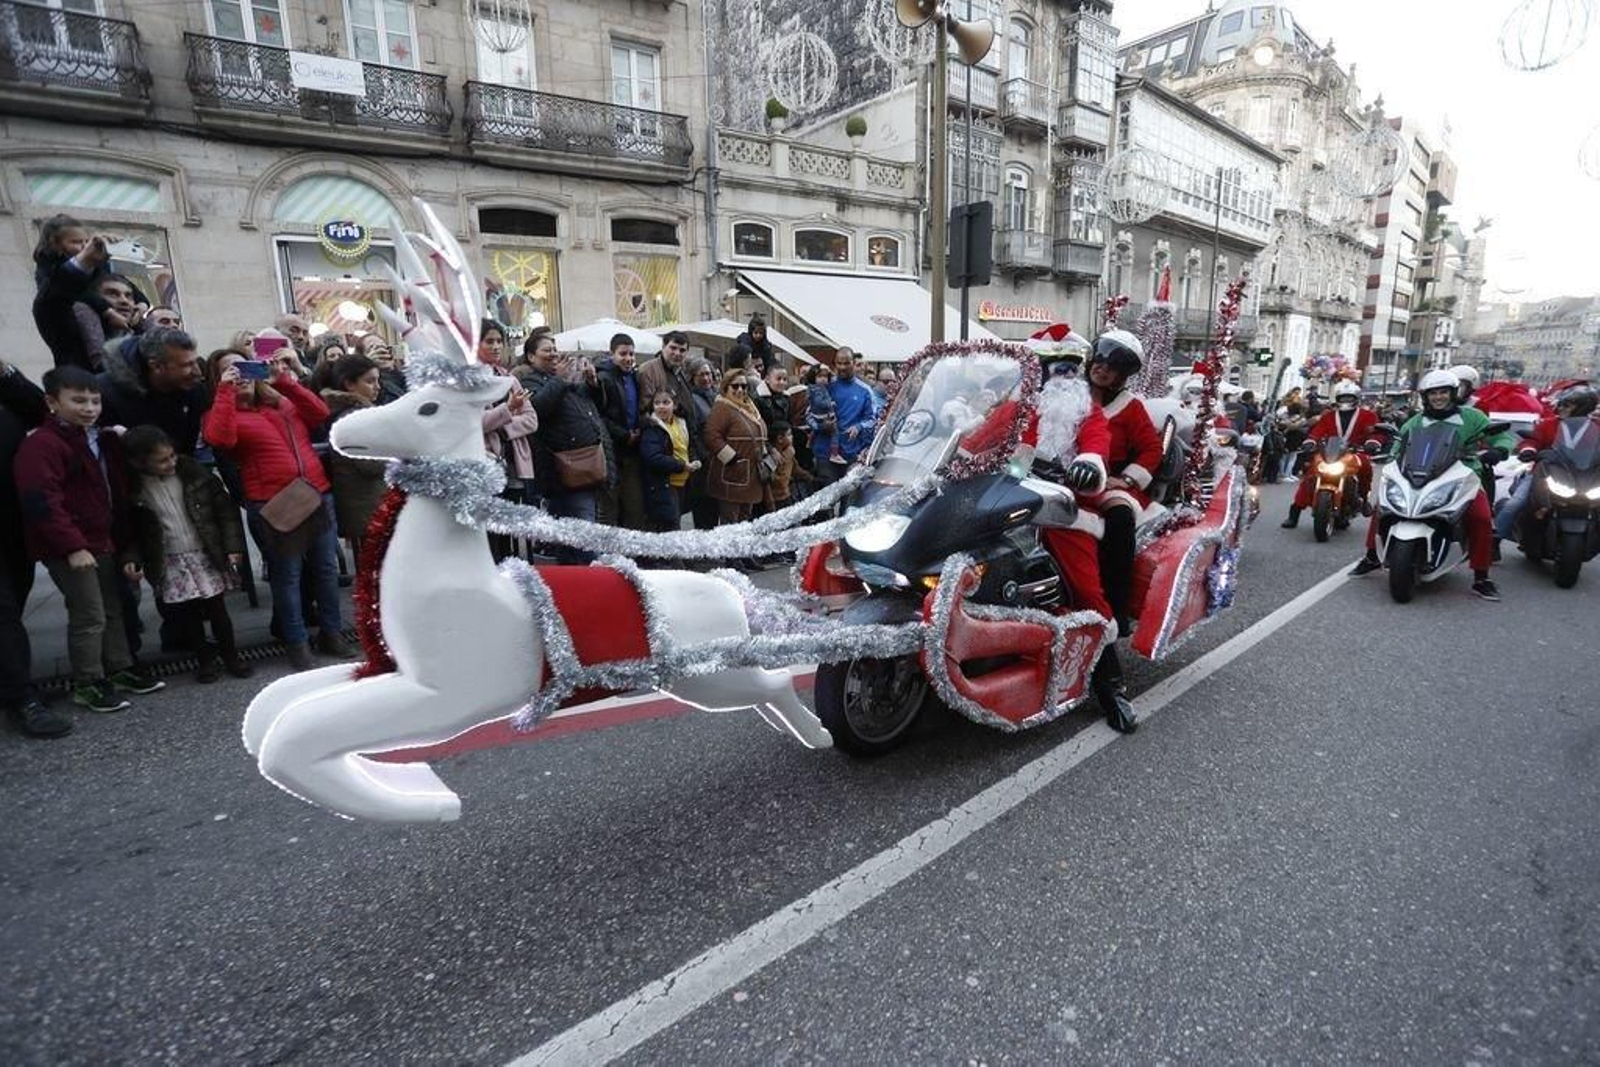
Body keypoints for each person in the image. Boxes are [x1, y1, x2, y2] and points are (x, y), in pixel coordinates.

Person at [15, 366, 164, 712]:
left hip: (102, 541)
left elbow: (115, 491)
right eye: (78, 400)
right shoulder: (42, 444)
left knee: (112, 609)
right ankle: (88, 681)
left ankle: (118, 668)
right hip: (71, 548)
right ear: (53, 402)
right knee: (89, 614)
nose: (88, 408)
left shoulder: (98, 438)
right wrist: (72, 546)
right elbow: (42, 500)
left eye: (94, 400)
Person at [202, 350, 352, 669]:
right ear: (218, 379)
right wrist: (227, 392)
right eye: (229, 371)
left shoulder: (280, 402)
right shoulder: (222, 410)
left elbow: (319, 412)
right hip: (275, 502)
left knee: (326, 569)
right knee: (288, 577)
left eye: (243, 367)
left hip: (316, 493)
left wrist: (285, 381)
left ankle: (332, 632)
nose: (238, 374)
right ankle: (296, 642)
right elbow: (221, 439)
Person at [1350, 368, 1500, 600]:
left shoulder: (1473, 417)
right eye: (1433, 393)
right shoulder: (1415, 422)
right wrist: (1391, 462)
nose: (1438, 397)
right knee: (1383, 507)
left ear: (1453, 393)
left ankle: (1481, 576)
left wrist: (1499, 449)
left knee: (1480, 517)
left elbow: (1501, 437)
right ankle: (1372, 556)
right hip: (1420, 475)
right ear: (1425, 397)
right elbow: (1399, 449)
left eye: (1443, 392)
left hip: (1463, 475)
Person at [120, 426, 252, 684]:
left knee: (218, 610)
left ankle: (231, 656)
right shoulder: (134, 490)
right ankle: (204, 660)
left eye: (172, 456)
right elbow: (132, 532)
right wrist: (131, 558)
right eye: (162, 460)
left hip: (205, 551)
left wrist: (232, 546)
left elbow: (224, 511)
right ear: (139, 462)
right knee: (189, 615)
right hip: (171, 558)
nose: (171, 463)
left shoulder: (193, 474)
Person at [0, 359, 67, 736]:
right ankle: (23, 698)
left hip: (13, 521)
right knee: (3, 610)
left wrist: (4, 372)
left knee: (16, 597)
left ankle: (11, 682)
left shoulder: (7, 391)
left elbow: (40, 410)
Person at [513, 332, 608, 547]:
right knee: (584, 540)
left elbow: (593, 406)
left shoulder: (562, 380)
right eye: (547, 350)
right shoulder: (528, 380)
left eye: (555, 349)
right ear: (531, 357)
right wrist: (560, 379)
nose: (554, 354)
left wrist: (592, 383)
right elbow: (539, 408)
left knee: (574, 539)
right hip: (564, 471)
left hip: (587, 466)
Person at [1494, 385, 1598, 549]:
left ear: (1582, 408)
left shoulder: (1596, 427)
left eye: (1567, 405)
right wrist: (1528, 450)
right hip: (1545, 473)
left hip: (1585, 476)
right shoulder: (1548, 424)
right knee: (1514, 504)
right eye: (1562, 404)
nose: (1561, 408)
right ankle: (1493, 542)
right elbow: (1533, 440)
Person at [478, 320, 540, 560]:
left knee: (510, 532)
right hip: (485, 464)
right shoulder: (468, 381)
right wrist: (507, 410)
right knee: (490, 533)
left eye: (499, 342)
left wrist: (503, 428)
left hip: (514, 463)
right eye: (489, 341)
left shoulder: (509, 379)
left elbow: (531, 419)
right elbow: (474, 423)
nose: (495, 347)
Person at [1281, 379, 1381, 529]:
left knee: (1366, 465)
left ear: (1356, 399)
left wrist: (1373, 442)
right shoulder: (1328, 416)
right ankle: (1294, 512)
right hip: (1331, 452)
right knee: (1311, 474)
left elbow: (1376, 432)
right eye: (1343, 398)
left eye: (1349, 398)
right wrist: (1311, 441)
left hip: (1355, 452)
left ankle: (1364, 498)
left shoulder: (1368, 416)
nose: (1346, 401)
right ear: (1338, 399)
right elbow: (1318, 431)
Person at [319, 354, 389, 564]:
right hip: (366, 503)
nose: (377, 387)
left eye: (378, 380)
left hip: (371, 500)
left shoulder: (362, 413)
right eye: (369, 381)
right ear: (349, 384)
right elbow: (369, 464)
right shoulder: (353, 418)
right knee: (375, 567)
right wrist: (401, 454)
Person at [98, 327, 209, 455]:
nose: (197, 372)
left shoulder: (194, 389)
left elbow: (188, 449)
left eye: (195, 362)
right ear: (156, 365)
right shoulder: (105, 393)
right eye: (187, 365)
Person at [594, 333, 647, 528]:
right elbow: (600, 415)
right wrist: (624, 435)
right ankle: (607, 554)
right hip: (611, 452)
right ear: (612, 354)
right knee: (609, 507)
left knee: (635, 507)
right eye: (623, 354)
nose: (628, 358)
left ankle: (632, 553)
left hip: (632, 452)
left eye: (631, 354)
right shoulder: (603, 378)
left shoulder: (634, 376)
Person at [703, 368, 767, 525]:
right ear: (726, 387)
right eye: (735, 386)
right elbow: (711, 436)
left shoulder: (749, 406)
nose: (740, 390)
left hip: (751, 474)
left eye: (744, 386)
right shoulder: (723, 407)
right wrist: (731, 459)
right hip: (731, 475)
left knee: (744, 520)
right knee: (730, 522)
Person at [639, 390, 700, 532]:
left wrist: (694, 459)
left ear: (675, 405)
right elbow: (653, 458)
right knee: (671, 528)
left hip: (683, 483)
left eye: (666, 402)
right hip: (664, 485)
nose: (661, 407)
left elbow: (689, 445)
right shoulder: (651, 428)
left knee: (675, 523)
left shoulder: (681, 423)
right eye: (657, 403)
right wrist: (682, 465)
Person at [637, 330, 699, 436]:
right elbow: (644, 408)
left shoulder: (682, 370)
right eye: (673, 348)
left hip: (684, 433)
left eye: (682, 350)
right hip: (662, 435)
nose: (677, 353)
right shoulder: (648, 370)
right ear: (663, 347)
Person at [828, 349, 878, 470]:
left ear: (853, 364)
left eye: (846, 363)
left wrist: (859, 427)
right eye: (839, 363)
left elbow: (872, 419)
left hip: (853, 453)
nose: (842, 367)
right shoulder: (826, 386)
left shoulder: (865, 391)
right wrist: (822, 424)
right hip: (826, 453)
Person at [686, 359, 720, 529]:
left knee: (714, 508)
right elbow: (693, 433)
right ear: (692, 377)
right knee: (703, 509)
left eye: (708, 374)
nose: (706, 378)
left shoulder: (715, 396)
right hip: (704, 461)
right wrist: (705, 456)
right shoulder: (692, 399)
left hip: (717, 459)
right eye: (702, 374)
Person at [805, 363, 843, 478]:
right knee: (835, 432)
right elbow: (820, 403)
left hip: (821, 416)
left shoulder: (820, 388)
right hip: (822, 416)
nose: (823, 379)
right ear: (814, 377)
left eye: (825, 377)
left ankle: (811, 440)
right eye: (820, 376)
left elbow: (834, 379)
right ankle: (834, 453)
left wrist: (829, 371)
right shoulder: (817, 390)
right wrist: (830, 403)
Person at [1277, 387, 1309, 480]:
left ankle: (1285, 473)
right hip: (1295, 437)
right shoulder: (1299, 418)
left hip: (1287, 437)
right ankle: (1286, 474)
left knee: (1285, 456)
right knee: (1291, 457)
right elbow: (1301, 424)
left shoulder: (1284, 415)